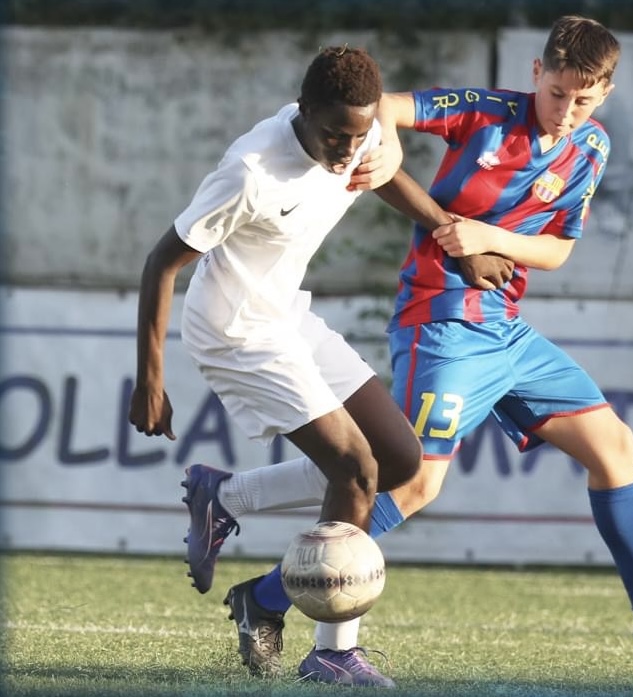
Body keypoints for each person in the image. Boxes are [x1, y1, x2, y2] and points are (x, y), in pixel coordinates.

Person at [180, 14, 633, 686]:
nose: (567, 111)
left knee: (615, 447)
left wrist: (486, 236)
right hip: (442, 318)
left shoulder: (591, 149)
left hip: (506, 328)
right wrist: (389, 159)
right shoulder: (483, 112)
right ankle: (268, 598)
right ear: (536, 75)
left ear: (606, 94)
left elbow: (559, 249)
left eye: (585, 98)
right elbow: (389, 109)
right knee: (412, 478)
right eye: (558, 93)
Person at [127, 46, 446, 688]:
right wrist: (150, 380)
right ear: (303, 111)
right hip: (234, 329)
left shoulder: (360, 133)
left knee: (402, 459)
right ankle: (333, 652)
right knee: (355, 468)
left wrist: (446, 229)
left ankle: (226, 497)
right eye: (333, 135)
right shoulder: (250, 171)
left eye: (357, 137)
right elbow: (162, 264)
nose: (344, 150)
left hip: (286, 314)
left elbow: (380, 172)